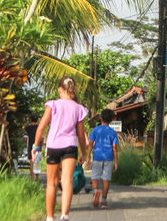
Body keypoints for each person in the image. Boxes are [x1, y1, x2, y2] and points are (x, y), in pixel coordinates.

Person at [32, 76, 88, 221]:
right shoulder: (78, 108)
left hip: (53, 146)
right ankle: (64, 215)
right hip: (70, 146)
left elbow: (41, 127)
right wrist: (84, 153)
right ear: (73, 89)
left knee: (51, 182)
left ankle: (50, 217)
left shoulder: (53, 104)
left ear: (59, 89)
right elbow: (81, 135)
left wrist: (35, 146)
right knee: (67, 181)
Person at [87, 108, 118, 209]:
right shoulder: (113, 132)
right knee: (106, 179)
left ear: (100, 118)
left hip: (97, 156)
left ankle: (95, 191)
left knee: (94, 176)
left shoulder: (95, 130)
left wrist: (88, 157)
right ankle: (103, 201)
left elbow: (90, 144)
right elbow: (114, 148)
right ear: (111, 120)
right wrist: (116, 162)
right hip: (108, 157)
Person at [24, 113, 39, 178]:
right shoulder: (39, 127)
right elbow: (42, 138)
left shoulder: (27, 128)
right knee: (37, 161)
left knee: (31, 161)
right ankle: (37, 177)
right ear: (37, 120)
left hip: (30, 145)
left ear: (31, 120)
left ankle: (32, 177)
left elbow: (25, 139)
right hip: (37, 145)